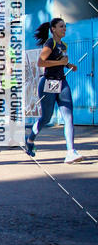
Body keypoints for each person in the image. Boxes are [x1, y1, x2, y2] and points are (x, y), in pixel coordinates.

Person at [25, 18, 82, 163]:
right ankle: (30, 139)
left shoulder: (63, 45)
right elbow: (41, 62)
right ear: (53, 29)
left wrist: (68, 65)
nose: (64, 29)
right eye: (61, 26)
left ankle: (71, 151)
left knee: (68, 116)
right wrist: (61, 63)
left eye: (65, 26)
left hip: (62, 82)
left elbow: (60, 59)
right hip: (48, 82)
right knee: (46, 118)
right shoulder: (50, 43)